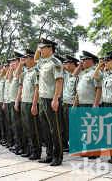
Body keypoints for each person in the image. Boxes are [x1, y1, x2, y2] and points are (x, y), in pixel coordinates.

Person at [34, 38, 64, 166]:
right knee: (45, 129)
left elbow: (59, 81)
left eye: (43, 48)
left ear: (50, 48)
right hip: (42, 98)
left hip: (51, 99)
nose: (40, 50)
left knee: (54, 129)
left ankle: (58, 157)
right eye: (40, 48)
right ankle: (49, 155)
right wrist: (38, 47)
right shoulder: (42, 62)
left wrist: (56, 99)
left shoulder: (55, 62)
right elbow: (35, 59)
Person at [74, 51, 101, 159]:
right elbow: (78, 90)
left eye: (85, 60)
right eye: (82, 60)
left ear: (91, 61)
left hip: (91, 104)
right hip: (82, 103)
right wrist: (75, 104)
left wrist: (96, 104)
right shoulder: (83, 73)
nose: (82, 62)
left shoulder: (95, 72)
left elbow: (99, 89)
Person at [19, 49, 41, 161]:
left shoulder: (35, 72)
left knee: (33, 129)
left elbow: (37, 89)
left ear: (32, 59)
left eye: (26, 58)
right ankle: (29, 150)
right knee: (26, 128)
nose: (24, 60)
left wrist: (34, 104)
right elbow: (16, 75)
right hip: (24, 102)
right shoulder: (26, 72)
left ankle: (36, 152)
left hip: (30, 103)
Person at [61, 55, 79, 153]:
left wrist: (75, 105)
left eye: (67, 63)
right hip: (65, 103)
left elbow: (78, 92)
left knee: (74, 127)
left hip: (72, 104)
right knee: (66, 126)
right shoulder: (66, 75)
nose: (65, 65)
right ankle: (69, 145)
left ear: (73, 64)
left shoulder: (77, 76)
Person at [9, 57, 25, 155]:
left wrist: (17, 101)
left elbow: (20, 87)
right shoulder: (15, 73)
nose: (12, 64)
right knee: (15, 125)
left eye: (14, 62)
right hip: (12, 101)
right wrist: (11, 69)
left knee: (19, 126)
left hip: (17, 101)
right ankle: (17, 145)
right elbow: (9, 78)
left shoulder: (21, 72)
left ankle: (21, 147)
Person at [2, 63, 15, 148]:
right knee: (8, 122)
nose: (11, 65)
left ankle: (15, 143)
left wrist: (10, 69)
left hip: (14, 101)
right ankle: (10, 141)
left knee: (14, 124)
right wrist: (9, 69)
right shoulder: (10, 74)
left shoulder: (18, 73)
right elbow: (8, 78)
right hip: (7, 101)